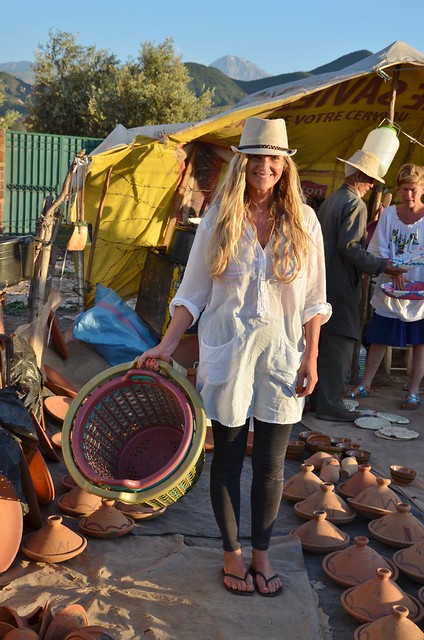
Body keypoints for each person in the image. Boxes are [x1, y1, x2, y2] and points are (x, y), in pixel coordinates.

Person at [137, 116, 331, 597]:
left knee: (270, 464)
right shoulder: (219, 219)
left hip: (283, 355)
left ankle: (262, 553)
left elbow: (314, 300)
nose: (265, 166)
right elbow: (192, 294)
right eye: (256, 158)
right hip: (228, 354)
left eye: (274, 158)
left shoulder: (304, 222)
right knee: (226, 458)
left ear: (285, 165)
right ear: (241, 163)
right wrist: (166, 344)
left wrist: (311, 358)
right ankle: (231, 553)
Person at [312, 149, 406, 422]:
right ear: (359, 176)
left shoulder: (332, 200)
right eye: (370, 180)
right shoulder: (355, 204)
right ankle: (330, 404)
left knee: (324, 342)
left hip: (324, 280)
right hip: (340, 283)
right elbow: (350, 248)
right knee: (339, 344)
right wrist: (382, 266)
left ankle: (318, 400)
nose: (371, 186)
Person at [349, 163, 424, 409]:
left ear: (422, 188)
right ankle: (366, 383)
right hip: (390, 286)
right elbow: (378, 248)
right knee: (379, 335)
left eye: (413, 189)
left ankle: (413, 391)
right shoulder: (390, 214)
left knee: (420, 340)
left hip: (419, 289)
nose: (408, 194)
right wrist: (391, 270)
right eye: (404, 189)